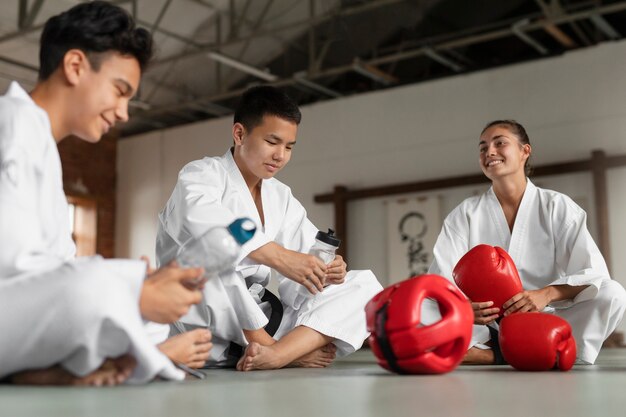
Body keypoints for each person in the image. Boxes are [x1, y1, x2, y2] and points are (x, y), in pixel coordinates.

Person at [0, 1, 210, 385]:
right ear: (76, 65)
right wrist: (130, 291)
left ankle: (81, 361)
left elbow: (53, 271)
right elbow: (14, 273)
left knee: (142, 312)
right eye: (119, 90)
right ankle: (129, 357)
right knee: (97, 288)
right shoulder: (13, 125)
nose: (124, 112)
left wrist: (139, 286)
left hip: (24, 314)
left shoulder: (42, 147)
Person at [156, 86, 383, 371]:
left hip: (261, 317)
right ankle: (280, 351)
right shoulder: (201, 175)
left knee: (364, 285)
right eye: (272, 142)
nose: (280, 156)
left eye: (288, 147)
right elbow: (208, 228)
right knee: (212, 256)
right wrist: (278, 256)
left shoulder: (280, 195)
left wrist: (326, 270)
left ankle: (279, 354)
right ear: (239, 134)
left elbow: (304, 264)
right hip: (203, 318)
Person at [428, 119, 626, 365]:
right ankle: (500, 353)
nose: (489, 152)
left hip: (545, 319)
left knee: (613, 293)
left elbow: (593, 273)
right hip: (483, 326)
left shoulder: (557, 206)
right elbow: (440, 277)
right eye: (482, 148)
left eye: (499, 143)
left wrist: (546, 294)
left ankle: (542, 348)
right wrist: (463, 307)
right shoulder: (465, 213)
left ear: (525, 151)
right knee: (421, 305)